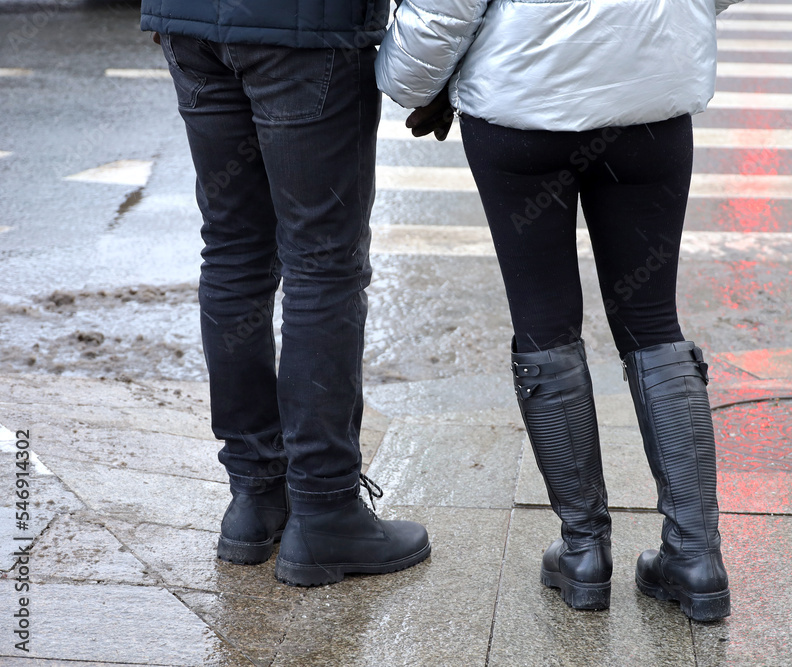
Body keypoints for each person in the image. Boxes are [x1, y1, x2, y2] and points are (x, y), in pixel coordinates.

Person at [376, 0, 742, 620]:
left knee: (543, 323)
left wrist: (416, 84)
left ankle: (582, 552)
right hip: (648, 98)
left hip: (522, 101)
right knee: (652, 323)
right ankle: (695, 555)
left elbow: (443, 9)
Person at [140, 0, 430, 586]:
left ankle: (254, 499)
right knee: (322, 265)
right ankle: (324, 510)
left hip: (191, 23)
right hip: (305, 29)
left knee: (233, 252)